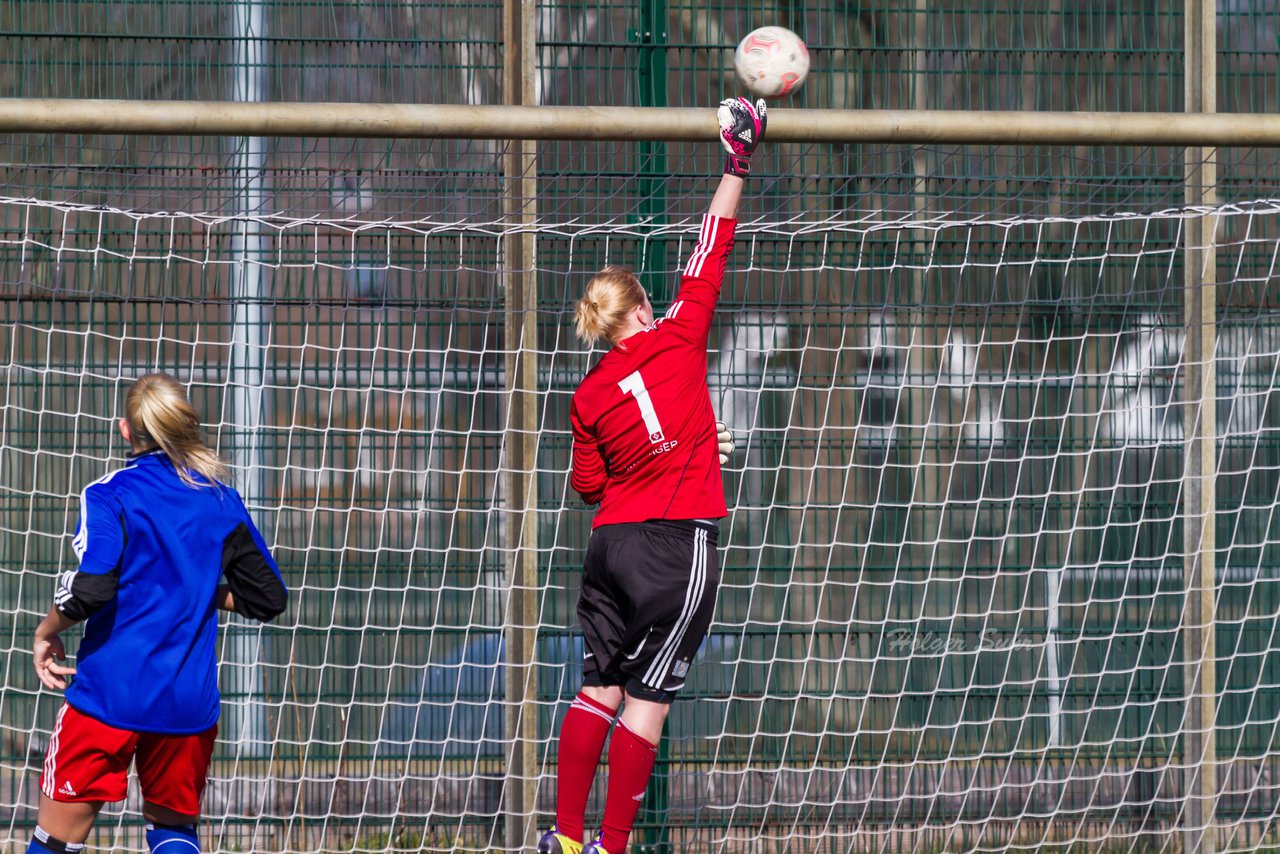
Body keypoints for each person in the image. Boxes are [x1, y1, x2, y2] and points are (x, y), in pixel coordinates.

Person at [539, 96, 767, 854]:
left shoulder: (589, 393)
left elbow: (589, 487)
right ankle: (611, 846)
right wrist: (737, 159)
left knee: (596, 689)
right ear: (642, 302)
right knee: (648, 702)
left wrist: (662, 452)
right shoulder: (680, 334)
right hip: (675, 546)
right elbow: (713, 243)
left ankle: (566, 840)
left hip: (610, 546)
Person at [28, 373, 288, 854]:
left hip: (108, 699)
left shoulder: (110, 493)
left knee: (55, 842)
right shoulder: (220, 498)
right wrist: (191, 589)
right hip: (186, 704)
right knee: (174, 835)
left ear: (125, 429)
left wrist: (45, 632)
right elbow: (267, 598)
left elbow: (92, 588)